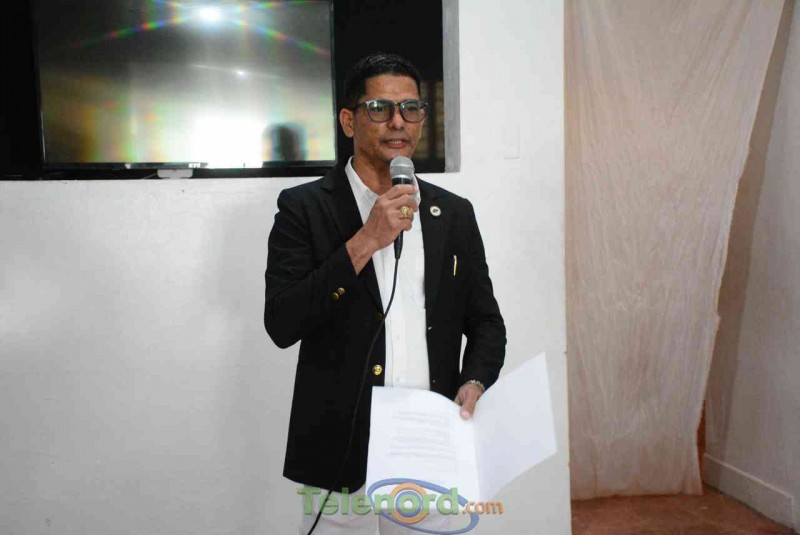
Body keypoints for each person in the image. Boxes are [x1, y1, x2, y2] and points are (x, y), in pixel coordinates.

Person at [264, 52, 506, 534]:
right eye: (380, 108)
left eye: (411, 108)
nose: (398, 121)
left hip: (429, 444)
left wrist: (475, 381)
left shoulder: (452, 213)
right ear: (348, 120)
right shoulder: (303, 208)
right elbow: (283, 323)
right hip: (340, 448)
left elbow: (486, 322)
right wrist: (366, 240)